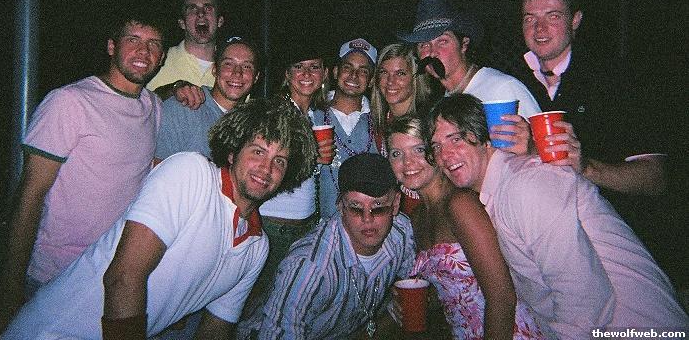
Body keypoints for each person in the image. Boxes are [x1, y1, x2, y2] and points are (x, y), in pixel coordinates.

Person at [1, 98, 319, 340]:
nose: (266, 168)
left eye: (280, 160)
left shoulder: (256, 248)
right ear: (233, 152)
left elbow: (215, 330)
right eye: (258, 151)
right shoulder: (191, 173)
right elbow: (124, 276)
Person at [427, 93, 688, 338]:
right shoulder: (500, 191)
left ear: (485, 137)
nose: (444, 155)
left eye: (456, 139)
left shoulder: (524, 185)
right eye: (436, 146)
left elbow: (585, 301)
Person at [0, 10, 166, 333]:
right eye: (133, 40)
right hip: (55, 276)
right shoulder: (69, 102)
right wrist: (10, 289)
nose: (144, 51)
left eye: (154, 44)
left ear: (162, 56)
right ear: (112, 46)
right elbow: (30, 194)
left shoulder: (153, 107)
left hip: (111, 276)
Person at [386, 115, 545, 340]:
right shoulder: (418, 217)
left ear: (435, 153)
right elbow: (454, 291)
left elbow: (502, 297)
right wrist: (421, 299)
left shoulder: (460, 204)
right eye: (396, 154)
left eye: (418, 150)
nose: (407, 162)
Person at [237, 153, 416, 340]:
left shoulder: (401, 233)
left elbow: (411, 292)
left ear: (396, 204)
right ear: (340, 207)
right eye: (355, 208)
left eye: (378, 207)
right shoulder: (311, 267)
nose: (367, 219)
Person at [515, 0, 666, 195]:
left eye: (553, 16)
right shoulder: (514, 81)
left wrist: (586, 167)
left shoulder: (616, 79)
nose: (539, 28)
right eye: (530, 18)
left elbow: (655, 177)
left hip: (608, 212)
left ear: (575, 20)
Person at [249, 41, 334, 306]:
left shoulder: (316, 114)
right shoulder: (276, 112)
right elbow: (264, 172)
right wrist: (310, 158)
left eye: (314, 67)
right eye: (299, 67)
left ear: (324, 74)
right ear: (287, 74)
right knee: (264, 303)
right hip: (275, 226)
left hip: (306, 225)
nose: (306, 74)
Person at [398, 0, 540, 153]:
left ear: (464, 44)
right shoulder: (443, 102)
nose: (432, 52)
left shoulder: (502, 88)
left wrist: (531, 148)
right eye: (424, 45)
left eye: (442, 41)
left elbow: (547, 149)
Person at [154, 36, 258, 162]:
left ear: (256, 77)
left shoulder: (254, 126)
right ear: (215, 70)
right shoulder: (183, 109)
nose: (237, 73)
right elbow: (156, 168)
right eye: (228, 64)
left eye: (246, 66)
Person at [318, 38, 380, 220]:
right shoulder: (313, 114)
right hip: (320, 225)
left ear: (371, 80)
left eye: (363, 71)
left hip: (366, 225)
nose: (354, 75)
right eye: (347, 67)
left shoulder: (380, 122)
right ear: (336, 72)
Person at [146, 0, 224, 104]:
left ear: (220, 21)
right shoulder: (157, 59)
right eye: (192, 8)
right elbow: (136, 101)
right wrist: (172, 89)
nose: (201, 14)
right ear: (182, 23)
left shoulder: (233, 72)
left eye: (208, 8)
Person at [370, 43, 431, 155]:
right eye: (384, 72)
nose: (390, 81)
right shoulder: (374, 124)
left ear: (415, 78)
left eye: (400, 73)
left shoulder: (430, 122)